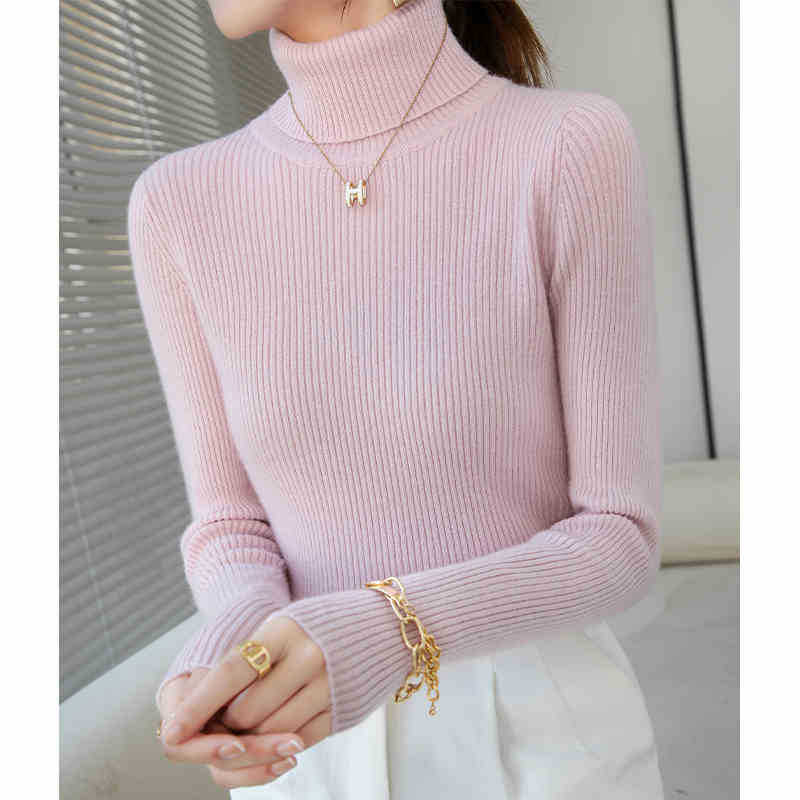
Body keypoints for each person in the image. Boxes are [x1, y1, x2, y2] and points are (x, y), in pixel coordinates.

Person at [127, 0, 666, 796]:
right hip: (304, 751)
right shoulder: (176, 202)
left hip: (535, 739)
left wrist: (392, 626)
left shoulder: (568, 145)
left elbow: (620, 536)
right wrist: (232, 653)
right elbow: (230, 524)